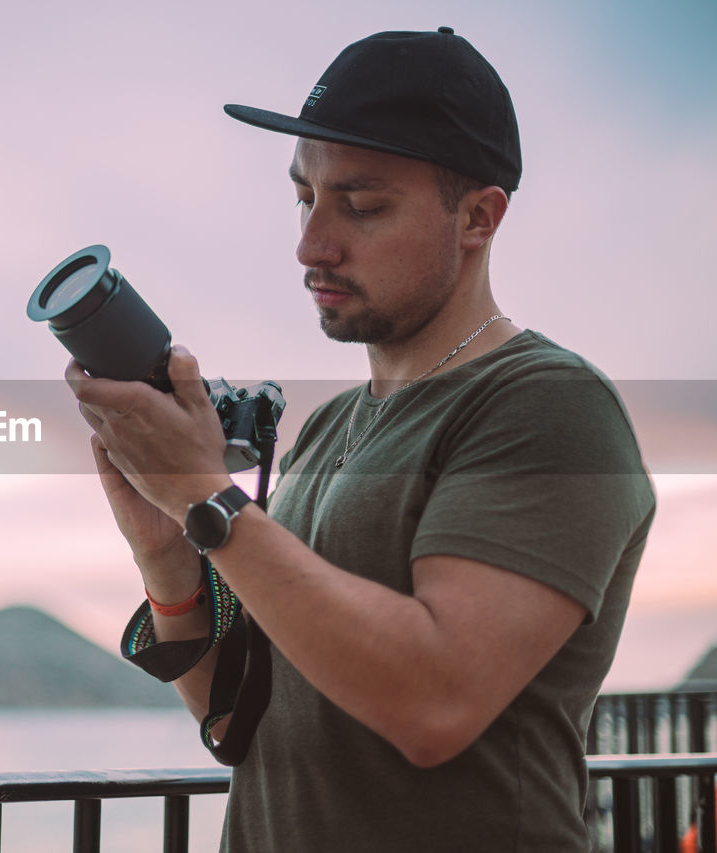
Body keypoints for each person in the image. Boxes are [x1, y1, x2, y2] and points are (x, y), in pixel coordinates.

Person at [64, 27, 656, 852]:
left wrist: (210, 495)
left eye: (363, 205)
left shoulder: (551, 408)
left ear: (479, 217)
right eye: (304, 197)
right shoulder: (330, 427)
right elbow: (237, 719)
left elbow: (434, 703)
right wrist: (167, 546)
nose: (311, 245)